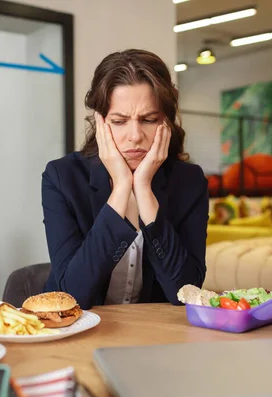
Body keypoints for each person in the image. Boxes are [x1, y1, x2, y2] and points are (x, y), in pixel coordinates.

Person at [41, 49, 208, 310]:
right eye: (119, 121)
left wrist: (143, 189)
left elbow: (185, 292)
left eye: (149, 120)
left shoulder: (190, 182)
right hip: (73, 331)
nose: (135, 136)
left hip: (152, 337)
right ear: (100, 122)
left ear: (166, 121)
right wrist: (121, 189)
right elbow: (72, 296)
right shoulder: (62, 178)